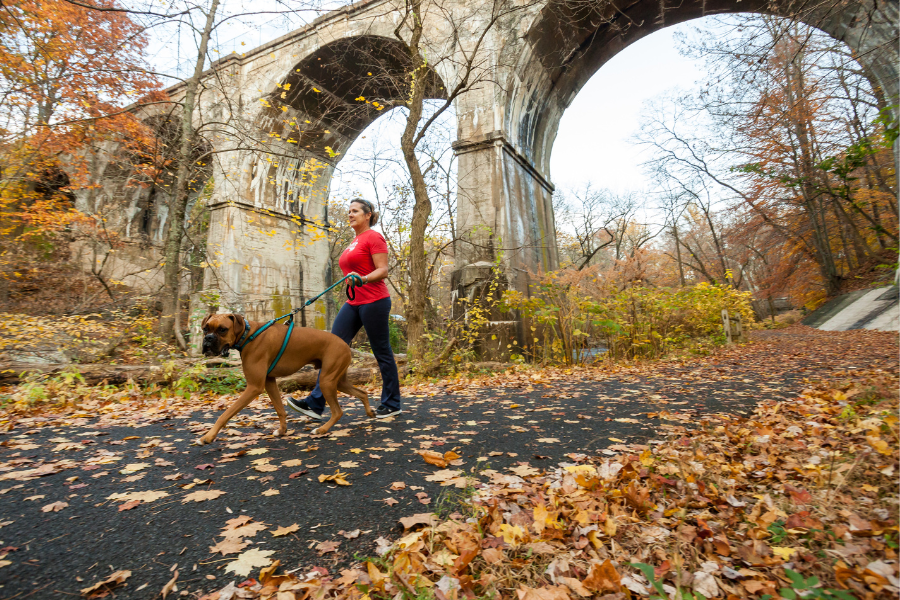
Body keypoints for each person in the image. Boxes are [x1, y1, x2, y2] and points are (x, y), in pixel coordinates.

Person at [285, 198, 403, 419]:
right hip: (353, 302)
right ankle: (315, 403)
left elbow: (383, 270)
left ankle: (392, 403)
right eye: (349, 211)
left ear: (368, 215)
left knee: (382, 351)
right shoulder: (354, 241)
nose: (350, 214)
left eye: (355, 211)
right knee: (329, 348)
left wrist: (364, 279)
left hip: (374, 301)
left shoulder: (373, 237)